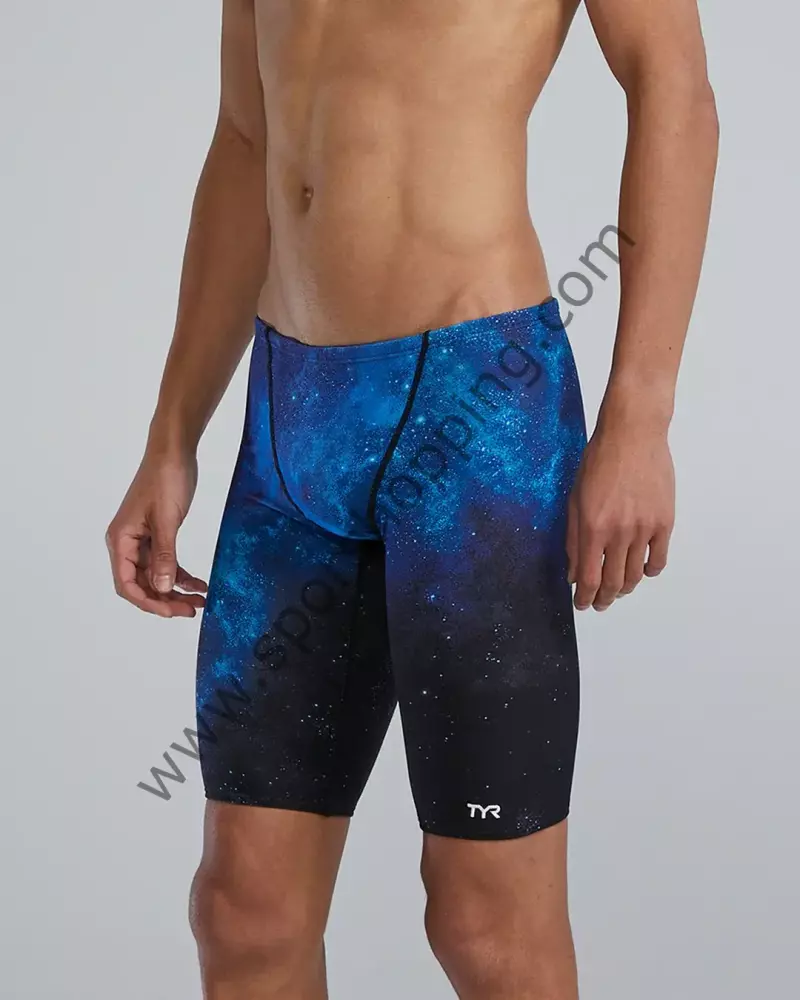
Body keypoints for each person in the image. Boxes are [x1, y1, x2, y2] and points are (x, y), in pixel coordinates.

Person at [106, 0, 718, 996]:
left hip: (476, 419)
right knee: (244, 913)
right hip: (288, 422)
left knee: (484, 925)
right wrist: (170, 436)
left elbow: (674, 90)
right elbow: (246, 139)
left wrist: (640, 416)